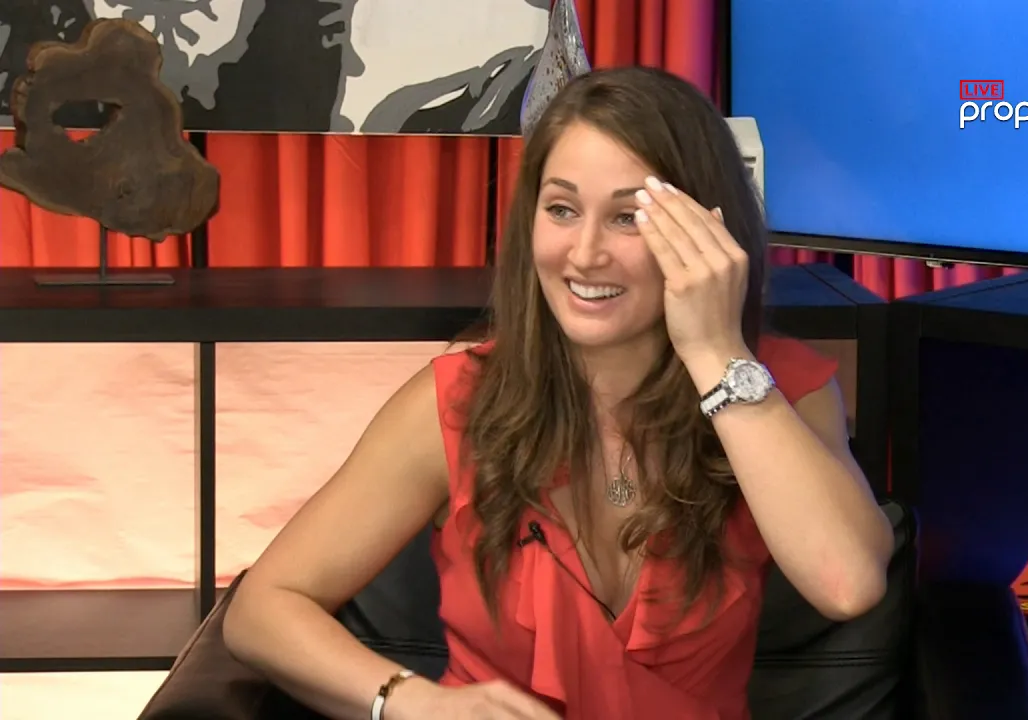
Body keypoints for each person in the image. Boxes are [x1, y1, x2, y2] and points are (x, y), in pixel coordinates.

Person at [222, 65, 894, 720]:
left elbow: (848, 584)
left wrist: (716, 352)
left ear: (706, 237)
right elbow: (263, 609)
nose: (584, 253)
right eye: (562, 209)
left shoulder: (779, 391)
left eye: (628, 218)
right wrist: (412, 701)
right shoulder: (456, 400)